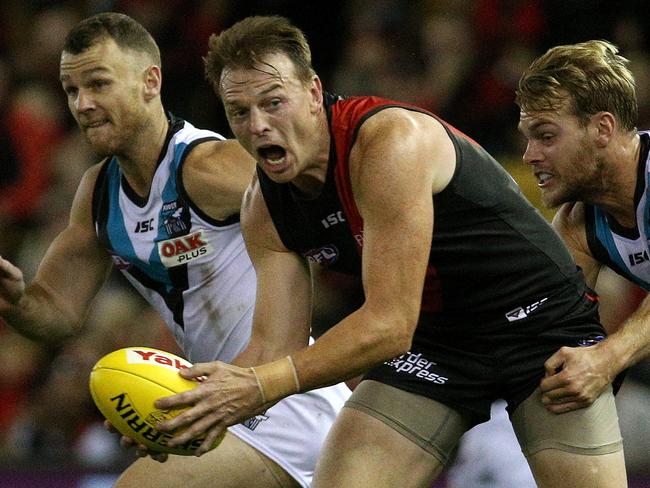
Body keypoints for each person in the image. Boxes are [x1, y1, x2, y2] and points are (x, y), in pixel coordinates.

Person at [154, 16, 628, 488]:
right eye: (239, 112)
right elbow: (275, 347)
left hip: (540, 329)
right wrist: (185, 407)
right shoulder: (263, 206)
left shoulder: (388, 143)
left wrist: (260, 386)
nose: (258, 125)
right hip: (437, 344)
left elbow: (388, 325)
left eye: (274, 103)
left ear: (315, 92)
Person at [0, 12, 350, 488]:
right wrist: (16, 301)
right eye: (71, 90)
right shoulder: (99, 194)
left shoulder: (211, 165)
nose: (82, 104)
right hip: (221, 410)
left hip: (283, 410)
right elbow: (56, 313)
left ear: (151, 81)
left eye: (98, 84)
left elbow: (323, 211)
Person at [516, 39, 650, 414]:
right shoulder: (577, 224)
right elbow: (553, 328)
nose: (529, 156)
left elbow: (601, 358)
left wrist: (607, 358)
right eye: (527, 139)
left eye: (545, 136)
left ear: (602, 129)